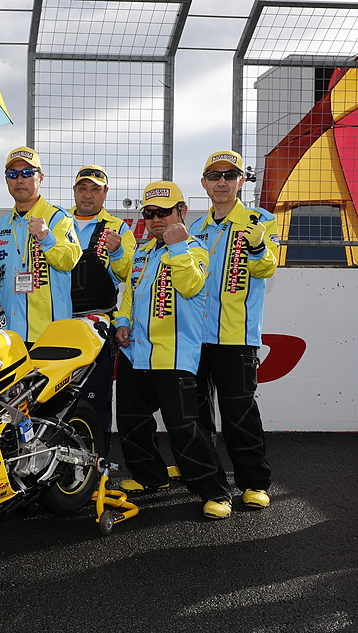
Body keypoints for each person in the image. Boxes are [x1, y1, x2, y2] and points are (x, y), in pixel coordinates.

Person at [113, 180, 233, 520]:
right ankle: (151, 477)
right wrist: (122, 322)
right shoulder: (141, 252)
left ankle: (216, 492)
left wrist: (177, 247)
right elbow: (130, 295)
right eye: (149, 214)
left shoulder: (195, 249)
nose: (155, 220)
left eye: (163, 212)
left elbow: (191, 285)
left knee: (184, 430)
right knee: (132, 422)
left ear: (182, 211)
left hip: (174, 356)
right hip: (135, 353)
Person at [190, 150, 279, 510]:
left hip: (236, 337)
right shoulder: (195, 227)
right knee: (196, 416)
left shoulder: (261, 220)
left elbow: (267, 268)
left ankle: (254, 483)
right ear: (204, 183)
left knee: (239, 415)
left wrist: (256, 246)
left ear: (241, 181)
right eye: (215, 176)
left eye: (230, 175)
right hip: (194, 338)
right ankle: (210, 485)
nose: (222, 182)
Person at [68, 164, 136, 455]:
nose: (88, 194)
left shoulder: (119, 228)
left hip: (99, 326)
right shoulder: (58, 223)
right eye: (83, 188)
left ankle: (97, 465)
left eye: (95, 189)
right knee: (56, 401)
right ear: (74, 191)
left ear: (105, 193)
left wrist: (118, 251)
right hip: (58, 325)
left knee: (96, 400)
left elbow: (129, 275)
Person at [0, 146, 81, 344]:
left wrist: (46, 238)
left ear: (40, 178)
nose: (20, 179)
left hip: (50, 336)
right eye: (13, 174)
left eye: (27, 173)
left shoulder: (58, 218)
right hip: (8, 336)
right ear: (6, 180)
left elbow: (69, 260)